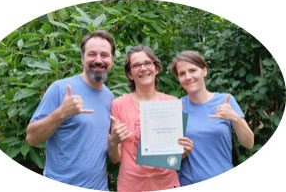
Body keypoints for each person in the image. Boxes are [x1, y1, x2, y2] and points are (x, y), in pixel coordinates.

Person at [26, 30, 115, 190]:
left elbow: (99, 144)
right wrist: (61, 113)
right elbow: (32, 138)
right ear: (82, 59)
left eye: (104, 55)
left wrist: (115, 141)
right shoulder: (60, 89)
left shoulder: (110, 97)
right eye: (92, 54)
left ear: (112, 60)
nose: (98, 60)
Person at [108, 45, 194, 192]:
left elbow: (175, 154)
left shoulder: (173, 103)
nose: (143, 68)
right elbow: (115, 158)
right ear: (130, 74)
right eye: (136, 65)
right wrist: (114, 142)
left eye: (147, 63)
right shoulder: (119, 105)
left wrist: (184, 151)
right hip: (131, 185)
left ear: (156, 68)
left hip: (167, 183)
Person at [168, 50, 254, 186]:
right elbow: (169, 159)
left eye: (192, 70)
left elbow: (249, 143)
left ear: (204, 71)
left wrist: (235, 118)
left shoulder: (226, 100)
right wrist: (181, 154)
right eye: (182, 73)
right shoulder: (176, 107)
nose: (188, 77)